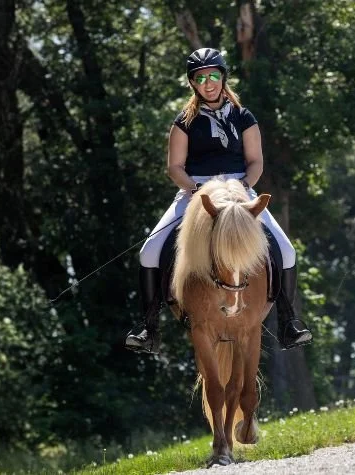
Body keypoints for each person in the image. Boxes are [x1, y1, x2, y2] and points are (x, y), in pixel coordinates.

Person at [125, 48, 312, 355]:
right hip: (195, 192)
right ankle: (149, 327)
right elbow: (174, 167)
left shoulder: (244, 116)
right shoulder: (184, 121)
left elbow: (255, 162)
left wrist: (243, 187)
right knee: (150, 251)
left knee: (286, 250)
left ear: (223, 78)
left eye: (213, 75)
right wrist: (196, 191)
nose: (208, 83)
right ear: (193, 83)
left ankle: (288, 321)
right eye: (201, 78)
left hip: (239, 190)